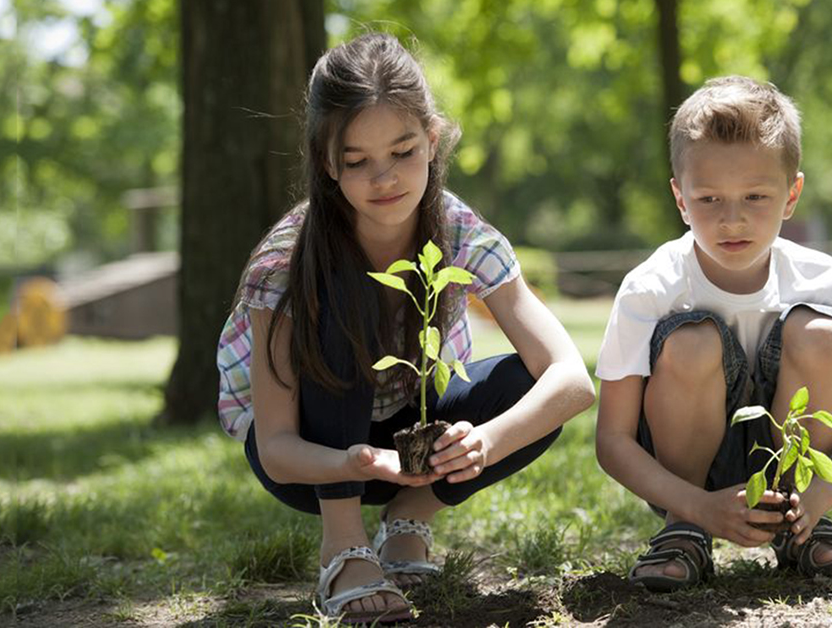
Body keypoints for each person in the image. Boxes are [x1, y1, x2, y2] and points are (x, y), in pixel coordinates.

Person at [216, 33, 595, 623]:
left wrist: (483, 444)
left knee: (531, 385)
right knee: (345, 292)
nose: (385, 178)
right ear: (325, 161)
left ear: (433, 140)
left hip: (417, 440)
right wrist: (356, 464)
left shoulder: (459, 230)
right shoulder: (288, 262)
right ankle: (343, 545)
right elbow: (278, 449)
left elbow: (573, 378)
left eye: (403, 151)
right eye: (356, 161)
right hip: (314, 455)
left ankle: (408, 519)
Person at [594, 76, 832, 591]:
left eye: (755, 196)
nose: (732, 220)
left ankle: (799, 527)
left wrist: (820, 496)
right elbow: (613, 440)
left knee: (821, 334)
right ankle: (685, 531)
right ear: (680, 198)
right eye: (709, 198)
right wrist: (695, 504)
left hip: (798, 474)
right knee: (691, 342)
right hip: (687, 478)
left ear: (791, 194)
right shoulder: (651, 287)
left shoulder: (827, 279)